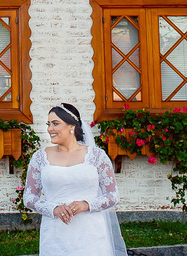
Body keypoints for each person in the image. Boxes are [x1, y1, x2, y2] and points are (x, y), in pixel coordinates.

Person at [22, 103, 128, 256]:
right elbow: (29, 197)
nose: (50, 129)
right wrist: (53, 208)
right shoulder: (40, 157)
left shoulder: (97, 156)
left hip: (91, 233)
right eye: (48, 124)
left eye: (55, 123)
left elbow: (113, 195)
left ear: (71, 126)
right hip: (55, 234)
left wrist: (87, 204)